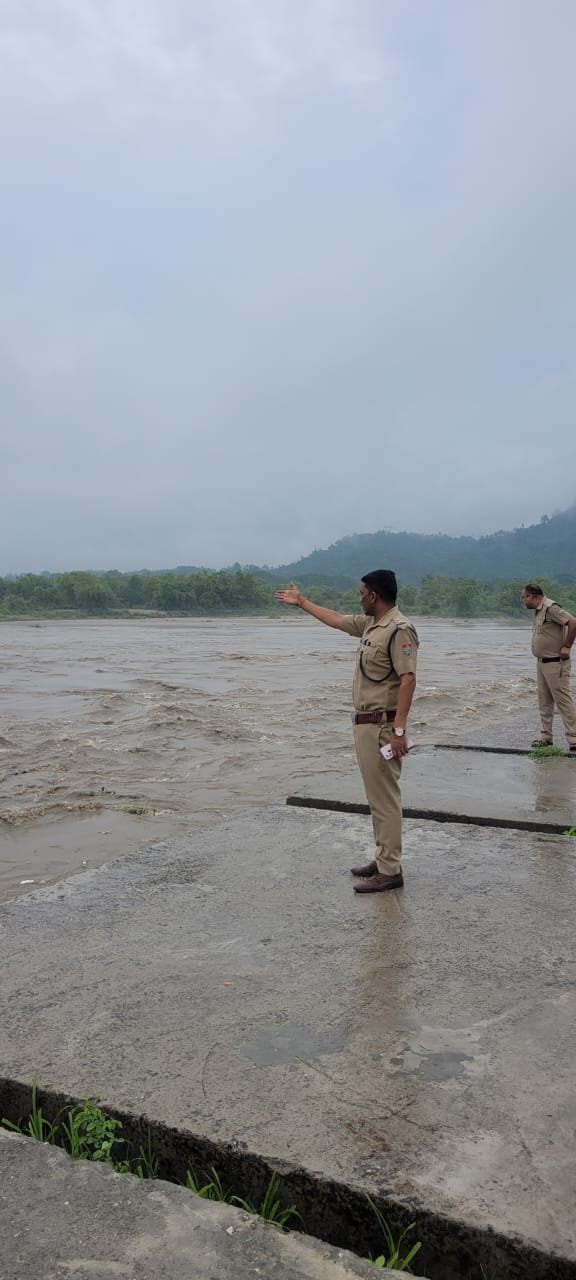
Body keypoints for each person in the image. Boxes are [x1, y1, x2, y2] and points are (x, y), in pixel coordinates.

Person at [275, 570, 418, 893]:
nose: (359, 597)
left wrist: (399, 731)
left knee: (385, 800)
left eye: (362, 592)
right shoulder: (372, 625)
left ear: (374, 596)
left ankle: (390, 870)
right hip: (367, 725)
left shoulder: (399, 630)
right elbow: (337, 620)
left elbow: (408, 680)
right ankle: (383, 860)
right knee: (376, 798)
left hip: (383, 726)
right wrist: (303, 603)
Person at [521, 584, 576, 751]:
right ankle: (546, 737)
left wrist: (567, 645)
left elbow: (573, 622)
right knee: (544, 701)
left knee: (563, 700)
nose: (523, 601)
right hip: (542, 662)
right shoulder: (539, 610)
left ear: (531, 596)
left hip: (555, 662)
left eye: (524, 597)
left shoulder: (551, 608)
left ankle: (574, 739)